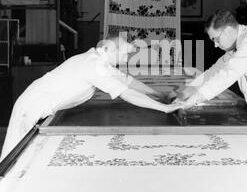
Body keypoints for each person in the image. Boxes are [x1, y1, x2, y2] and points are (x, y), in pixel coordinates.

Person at [0, 32, 180, 161]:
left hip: (36, 105)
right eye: (124, 54)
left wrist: (160, 95)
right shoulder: (93, 65)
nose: (126, 60)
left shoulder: (99, 61)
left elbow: (129, 82)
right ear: (109, 48)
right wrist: (164, 108)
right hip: (31, 108)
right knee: (14, 163)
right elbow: (127, 94)